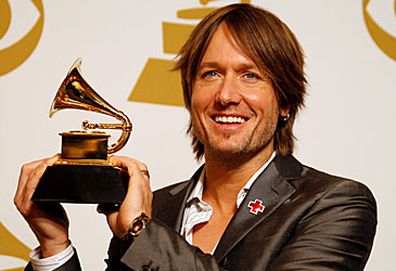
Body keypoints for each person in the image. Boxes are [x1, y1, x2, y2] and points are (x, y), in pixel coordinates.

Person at [15, 3, 377, 271]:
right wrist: (54, 247)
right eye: (210, 74)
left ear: (285, 100)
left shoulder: (335, 204)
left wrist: (141, 232)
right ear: (191, 97)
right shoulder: (153, 208)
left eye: (250, 75)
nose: (226, 95)